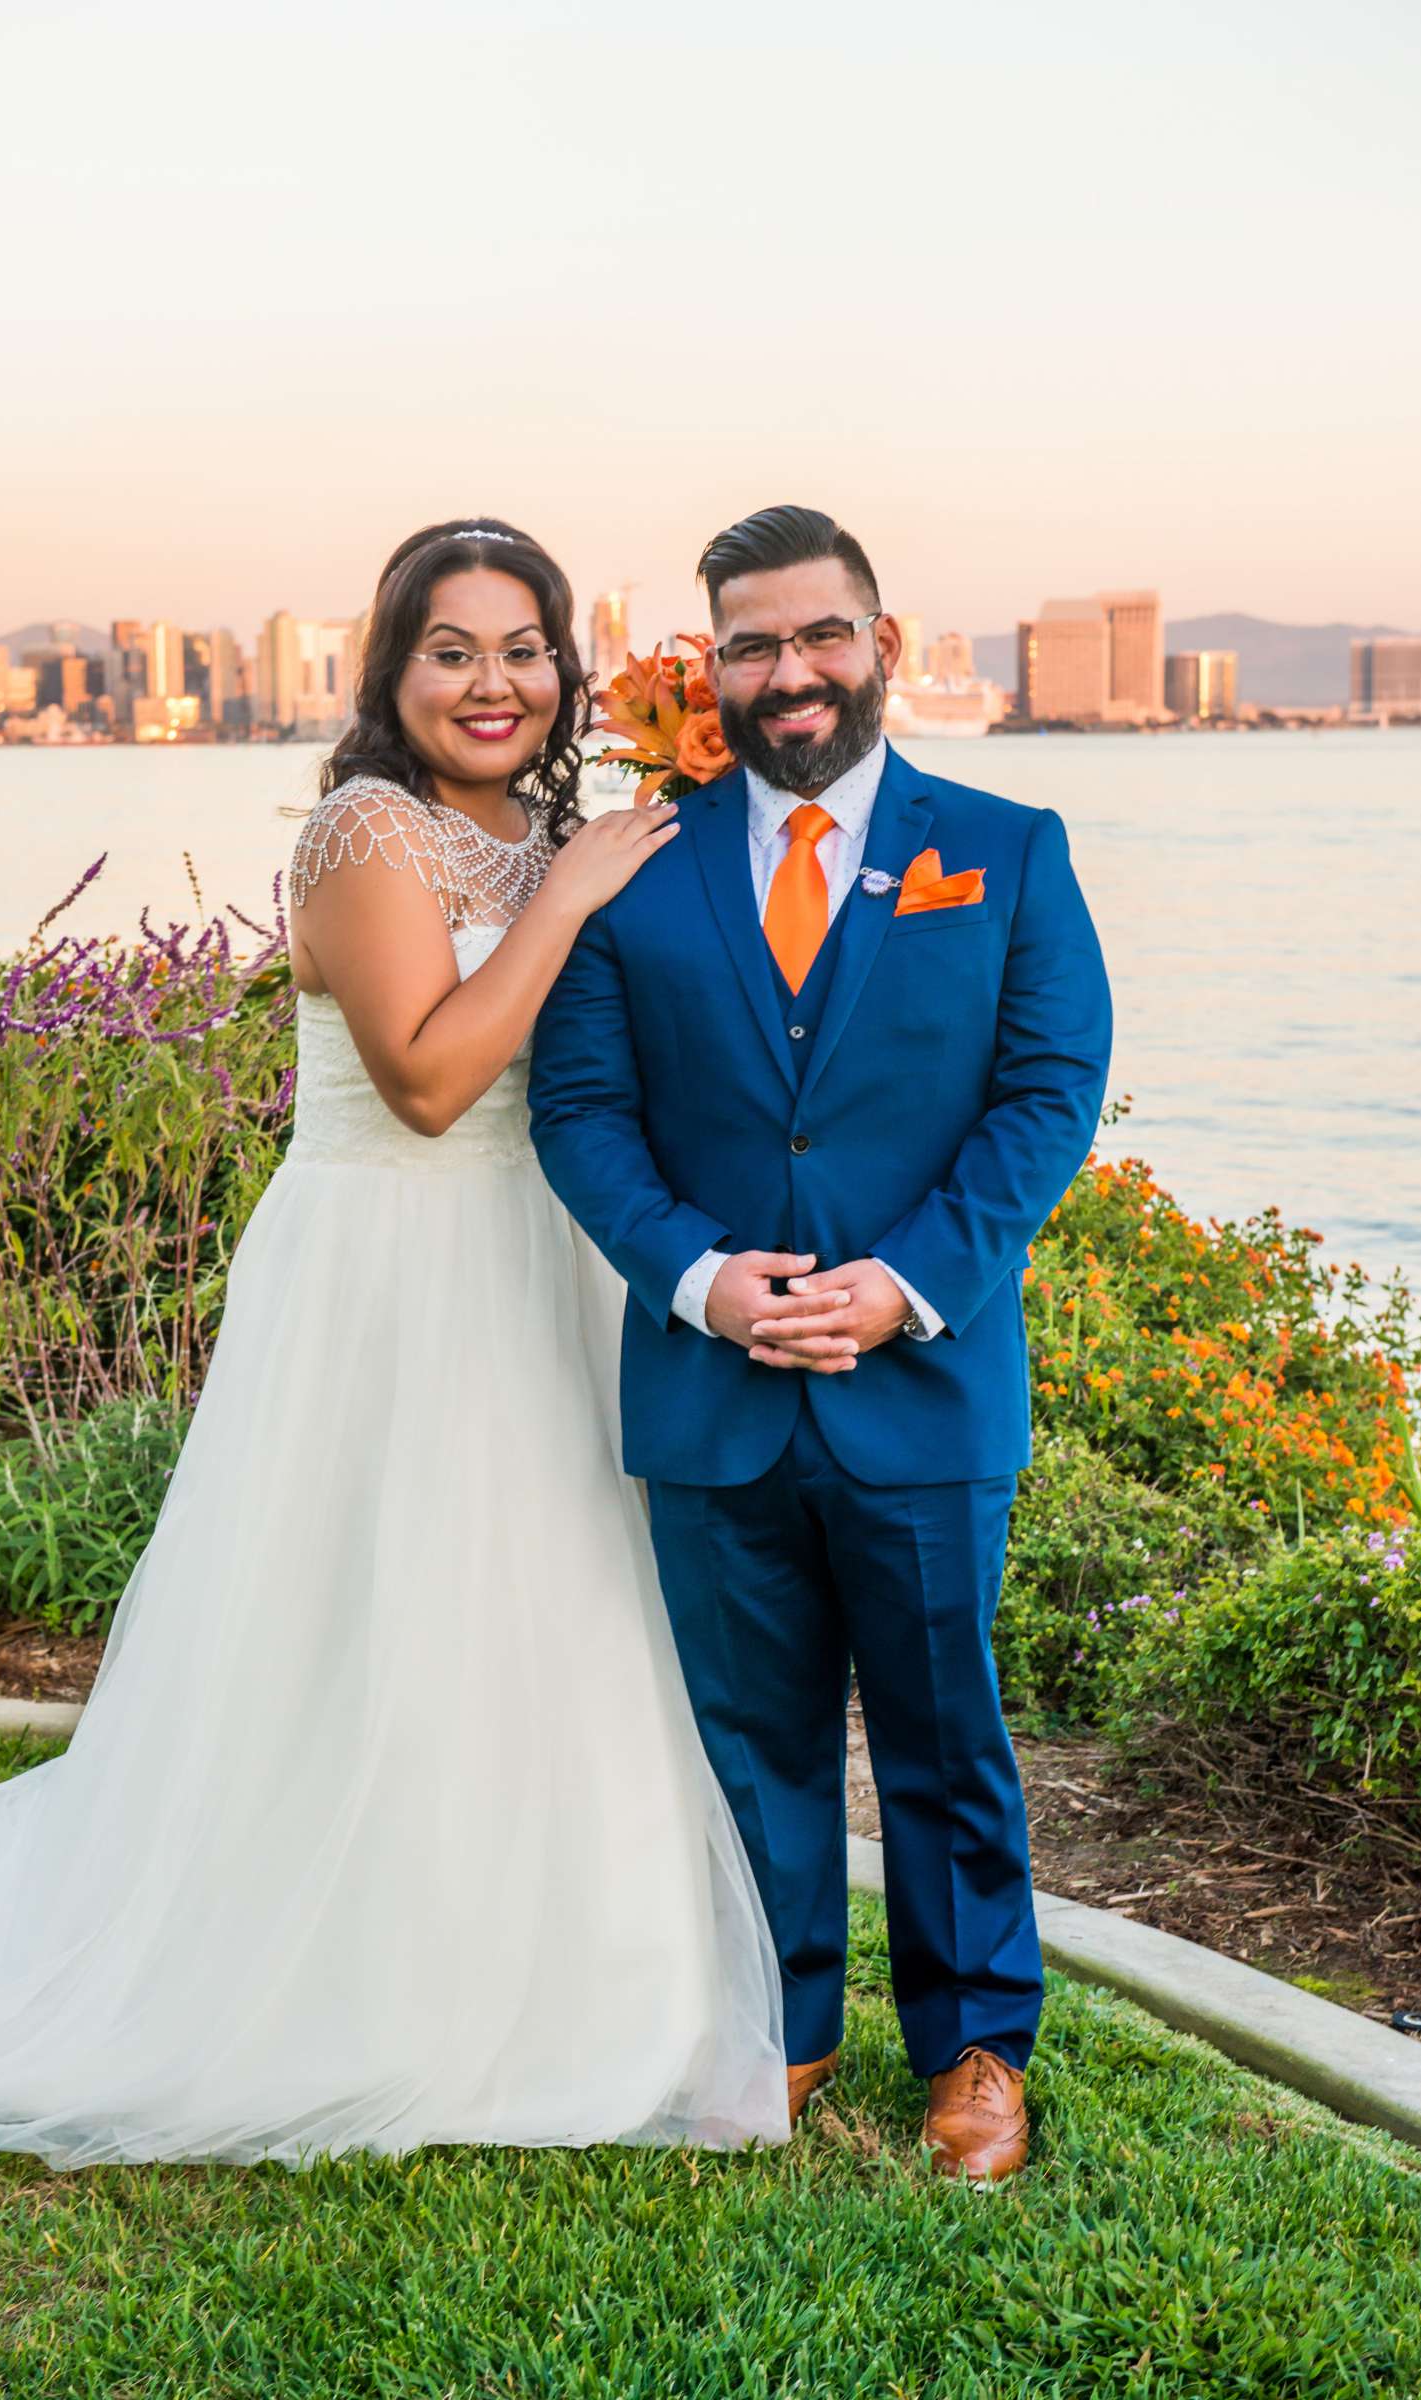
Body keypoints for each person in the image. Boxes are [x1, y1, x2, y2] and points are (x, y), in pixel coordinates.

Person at [0, 518, 788, 2168]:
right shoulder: (366, 834)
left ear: (567, 665)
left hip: (551, 1257)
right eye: (452, 650)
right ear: (390, 669)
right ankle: (361, 1973)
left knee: (554, 1594)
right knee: (391, 1598)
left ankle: (571, 1959)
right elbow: (424, 1082)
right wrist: (570, 893)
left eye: (524, 648)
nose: (494, 684)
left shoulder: (564, 822)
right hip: (395, 1266)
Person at [529, 504, 1114, 2184]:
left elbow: (1043, 1096)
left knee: (943, 1730)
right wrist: (698, 1278)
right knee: (750, 1737)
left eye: (818, 635)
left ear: (878, 640)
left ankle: (977, 2050)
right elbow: (580, 1112)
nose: (788, 673)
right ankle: (776, 2027)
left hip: (921, 1380)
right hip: (710, 1381)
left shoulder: (1003, 849)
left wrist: (907, 1282)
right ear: (712, 666)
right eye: (752, 643)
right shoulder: (641, 869)